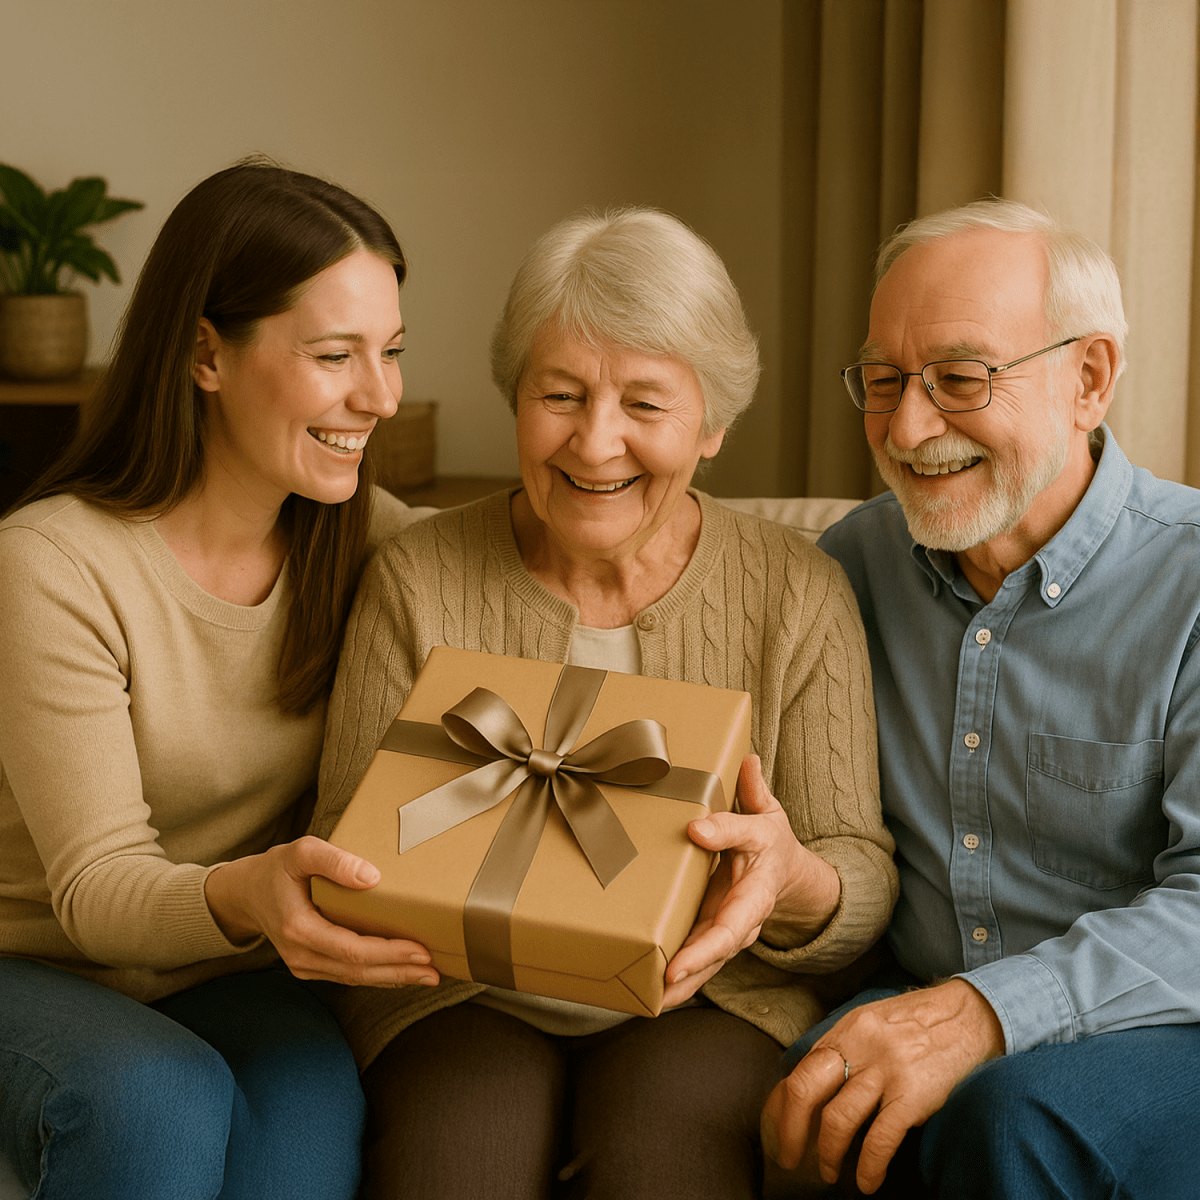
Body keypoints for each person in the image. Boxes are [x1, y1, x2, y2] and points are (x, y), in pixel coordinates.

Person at [310, 206, 898, 1200]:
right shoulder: (417, 575)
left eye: (645, 404)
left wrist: (791, 877)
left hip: (711, 1003)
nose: (595, 443)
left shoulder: (798, 591)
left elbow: (862, 875)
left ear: (712, 425)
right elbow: (340, 840)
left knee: (664, 1161)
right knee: (459, 1161)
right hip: (457, 996)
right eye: (561, 395)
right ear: (517, 398)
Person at [0, 161, 440, 1199]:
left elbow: (533, 570)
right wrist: (251, 892)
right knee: (159, 1097)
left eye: (391, 352)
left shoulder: (372, 543)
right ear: (206, 353)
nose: (380, 396)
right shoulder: (51, 565)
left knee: (312, 1114)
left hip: (229, 969)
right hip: (34, 959)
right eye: (334, 355)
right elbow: (97, 890)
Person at [761, 198, 1200, 1199]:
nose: (908, 429)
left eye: (961, 379)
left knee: (1010, 1119)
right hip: (918, 991)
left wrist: (984, 1013)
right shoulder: (850, 566)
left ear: (1090, 378)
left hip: (1165, 1023)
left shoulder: (1191, 582)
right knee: (808, 1092)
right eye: (883, 381)